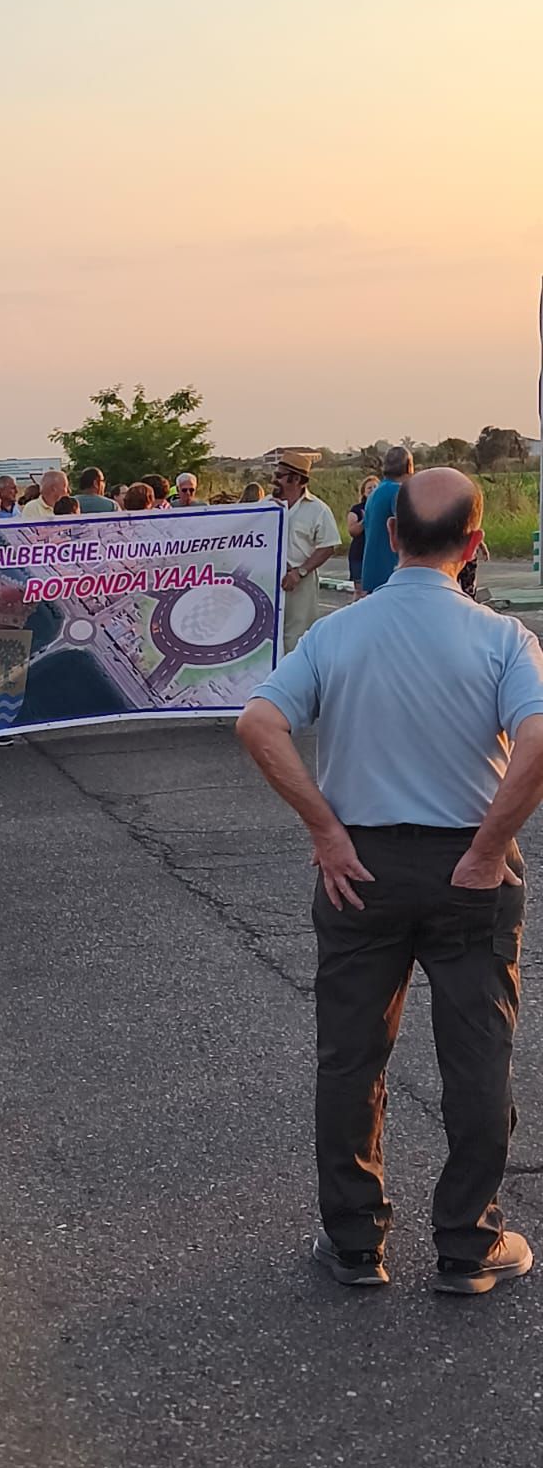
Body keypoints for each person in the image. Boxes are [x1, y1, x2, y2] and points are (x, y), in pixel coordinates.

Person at [237, 466, 543, 1295]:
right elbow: (539, 742)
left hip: (360, 869)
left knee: (350, 1057)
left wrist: (325, 829)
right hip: (469, 872)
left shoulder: (338, 636)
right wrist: (487, 851)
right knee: (478, 1057)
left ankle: (353, 1242)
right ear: (476, 543)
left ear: (390, 536)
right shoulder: (503, 640)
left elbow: (258, 721)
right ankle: (468, 1245)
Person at [271, 450, 340, 653]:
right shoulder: (266, 505)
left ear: (297, 479)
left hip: (300, 582)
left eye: (279, 476)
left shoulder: (318, 510)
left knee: (297, 638)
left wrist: (300, 572)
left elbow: (328, 545)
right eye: (275, 474)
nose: (274, 481)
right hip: (269, 581)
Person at [360, 446, 414, 595]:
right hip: (391, 574)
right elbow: (409, 530)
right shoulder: (398, 492)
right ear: (409, 466)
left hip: (372, 572)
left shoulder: (375, 492)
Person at [347, 475, 380, 597]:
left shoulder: (383, 508)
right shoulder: (357, 509)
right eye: (369, 488)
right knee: (361, 591)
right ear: (364, 492)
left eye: (375, 487)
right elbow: (352, 531)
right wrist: (366, 520)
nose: (372, 490)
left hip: (377, 555)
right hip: (360, 554)